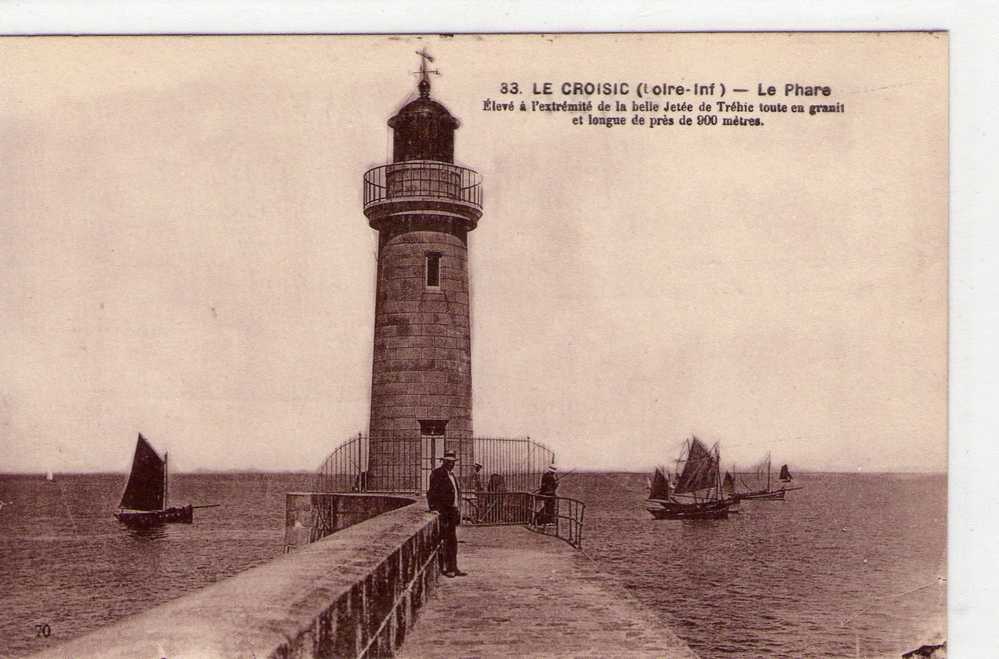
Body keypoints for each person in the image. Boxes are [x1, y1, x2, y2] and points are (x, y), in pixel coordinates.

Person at [427, 450, 467, 577]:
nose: (451, 464)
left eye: (453, 462)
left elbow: (455, 494)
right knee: (447, 540)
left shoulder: (452, 475)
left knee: (452, 541)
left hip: (452, 511)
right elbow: (432, 492)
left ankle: (454, 567)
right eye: (448, 462)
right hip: (444, 512)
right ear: (444, 462)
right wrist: (434, 507)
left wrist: (457, 510)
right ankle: (448, 568)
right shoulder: (437, 474)